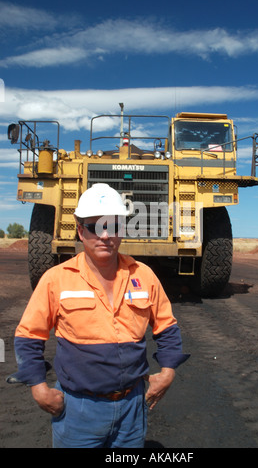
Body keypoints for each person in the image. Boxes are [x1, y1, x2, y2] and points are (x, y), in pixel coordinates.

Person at [7, 183, 190, 448]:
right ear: (81, 231)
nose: (105, 236)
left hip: (132, 409)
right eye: (95, 227)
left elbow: (167, 327)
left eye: (113, 226)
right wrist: (38, 387)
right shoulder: (56, 279)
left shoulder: (144, 275)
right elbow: (28, 335)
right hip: (77, 410)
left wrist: (169, 372)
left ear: (122, 230)